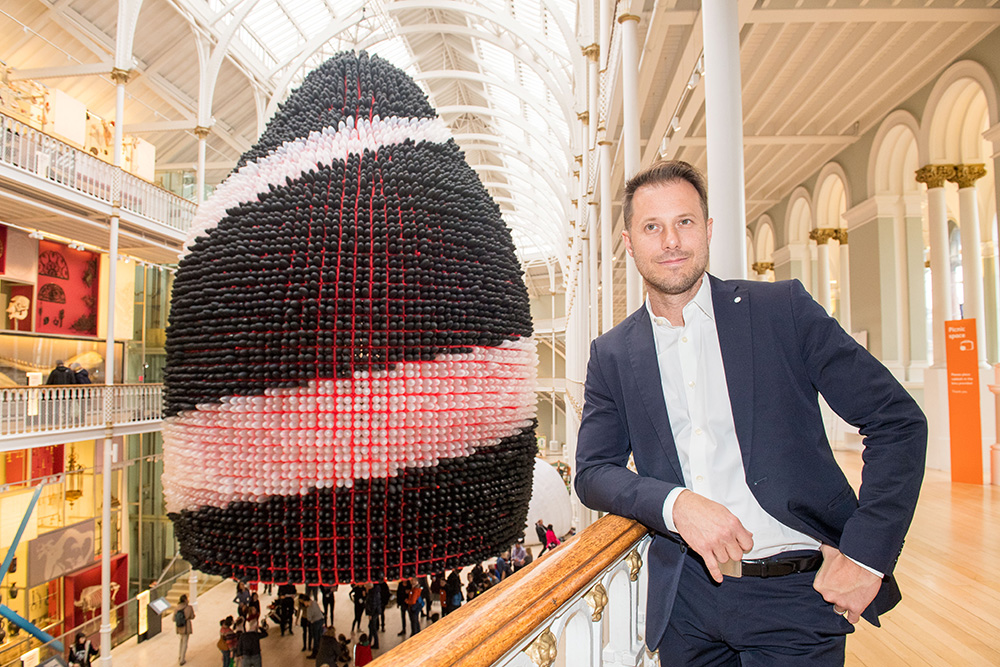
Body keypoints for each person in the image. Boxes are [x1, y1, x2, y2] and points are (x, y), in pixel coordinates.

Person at [574, 159, 927, 665]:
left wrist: (866, 556)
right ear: (630, 242)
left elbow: (897, 420)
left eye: (685, 222)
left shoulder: (780, 309)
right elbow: (593, 472)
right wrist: (677, 505)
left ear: (709, 230)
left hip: (797, 596)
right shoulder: (612, 353)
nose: (671, 240)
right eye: (653, 227)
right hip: (686, 606)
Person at [173, 594, 196, 665]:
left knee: (181, 641)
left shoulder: (177, 608)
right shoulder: (189, 608)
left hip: (179, 627)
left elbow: (174, 619)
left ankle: (180, 656)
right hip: (186, 626)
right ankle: (182, 659)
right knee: (185, 642)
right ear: (186, 600)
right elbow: (192, 616)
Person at [364, 583, 382, 649]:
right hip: (375, 613)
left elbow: (372, 604)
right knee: (371, 627)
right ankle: (369, 641)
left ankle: (375, 643)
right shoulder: (375, 592)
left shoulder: (372, 594)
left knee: (373, 628)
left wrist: (370, 614)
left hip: (373, 613)